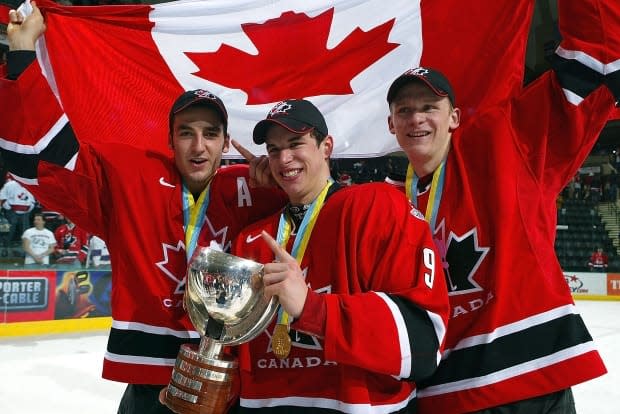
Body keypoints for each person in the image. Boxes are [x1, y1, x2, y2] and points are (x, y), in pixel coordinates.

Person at [2, 4, 287, 413]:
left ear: (226, 143)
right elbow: (43, 160)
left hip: (227, 380)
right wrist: (22, 49)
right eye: (186, 133)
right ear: (170, 142)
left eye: (210, 134)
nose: (198, 145)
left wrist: (281, 179)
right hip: (148, 381)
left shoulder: (253, 189)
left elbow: (315, 208)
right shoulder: (131, 179)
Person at [384, 1, 618, 412]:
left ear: (455, 117)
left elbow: (599, 58)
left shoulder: (503, 146)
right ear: (390, 125)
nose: (416, 118)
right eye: (404, 110)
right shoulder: (388, 201)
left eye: (428, 107)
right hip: (443, 396)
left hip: (527, 384)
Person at [200, 99, 450, 412]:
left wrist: (312, 308)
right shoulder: (251, 240)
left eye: (295, 144)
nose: (283, 158)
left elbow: (422, 345)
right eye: (274, 150)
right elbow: (240, 354)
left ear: (326, 146)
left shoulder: (374, 207)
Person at [0, 173, 37, 245]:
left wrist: (29, 208)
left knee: (26, 230)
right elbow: (2, 197)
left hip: (25, 212)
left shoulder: (28, 184)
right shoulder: (9, 185)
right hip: (12, 212)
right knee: (9, 229)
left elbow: (32, 200)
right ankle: (5, 246)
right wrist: (8, 208)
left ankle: (27, 246)